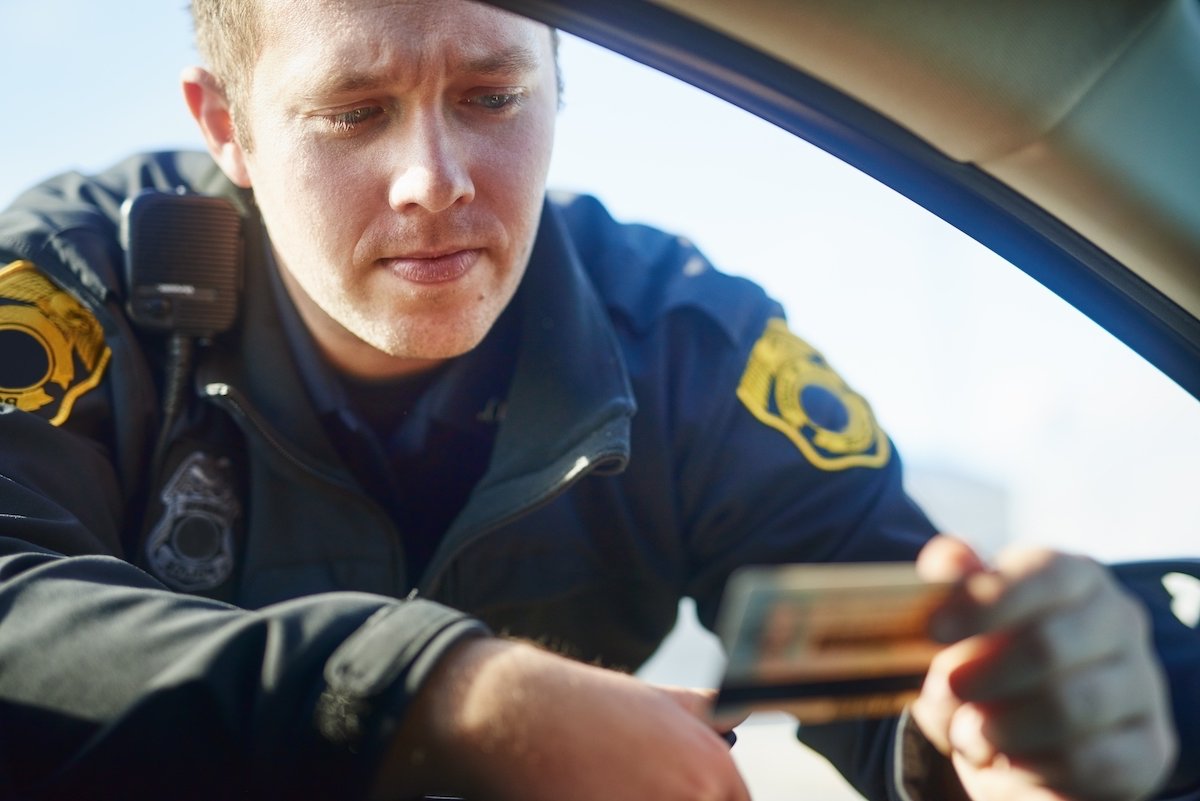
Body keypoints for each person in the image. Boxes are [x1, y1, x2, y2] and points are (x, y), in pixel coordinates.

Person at [0, 1, 1190, 799]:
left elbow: (890, 666)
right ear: (228, 127)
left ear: (561, 83)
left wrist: (988, 727)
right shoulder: (73, 287)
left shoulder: (678, 341)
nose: (435, 178)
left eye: (492, 95)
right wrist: (449, 692)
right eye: (355, 113)